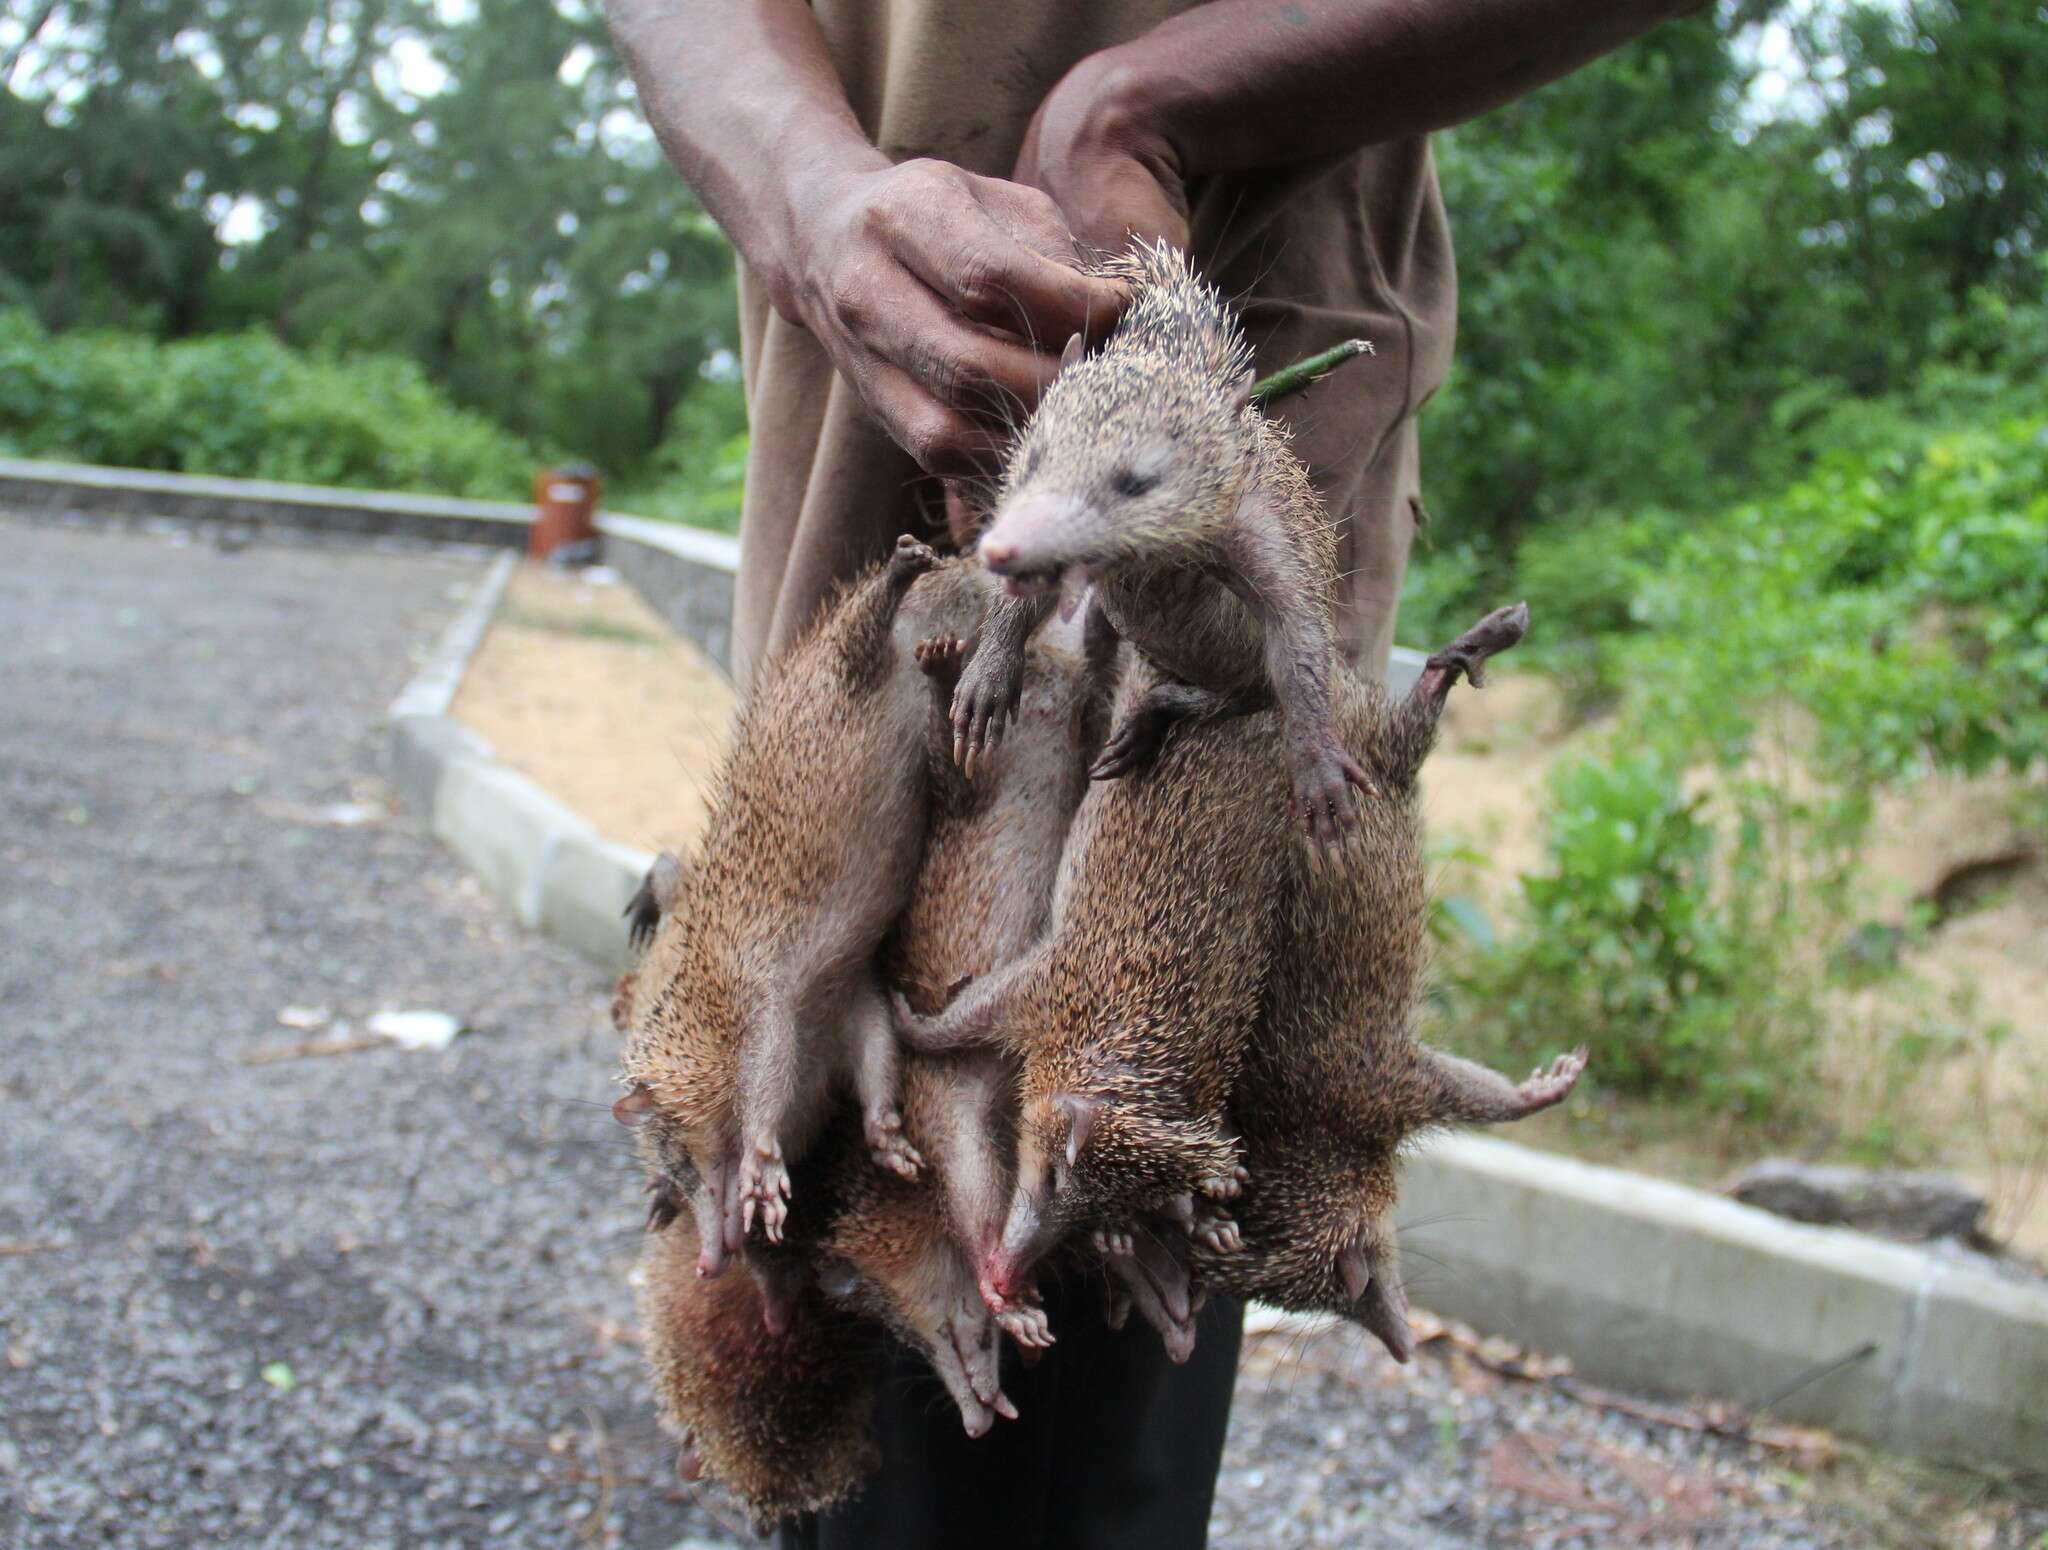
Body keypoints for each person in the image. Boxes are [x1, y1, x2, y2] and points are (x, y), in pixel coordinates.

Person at [606, 3, 1698, 1545]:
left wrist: (1145, 107)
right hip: (850, 492)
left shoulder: (1219, 525)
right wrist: (804, 191)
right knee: (814, 1340)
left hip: (1191, 643)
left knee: (1070, 1322)